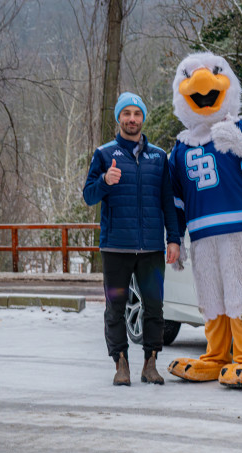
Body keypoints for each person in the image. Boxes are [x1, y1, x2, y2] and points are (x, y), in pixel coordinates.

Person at [165, 52, 242, 389]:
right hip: (202, 236)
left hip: (239, 230)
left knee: (241, 292)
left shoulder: (241, 127)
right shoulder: (181, 148)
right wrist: (175, 238)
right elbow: (175, 199)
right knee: (211, 296)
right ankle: (215, 357)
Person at [83, 92, 180, 386]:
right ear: (118, 119)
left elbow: (168, 201)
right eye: (126, 114)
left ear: (143, 118)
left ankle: (150, 363)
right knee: (115, 307)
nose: (132, 119)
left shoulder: (159, 157)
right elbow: (89, 196)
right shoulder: (104, 154)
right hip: (116, 247)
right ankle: (121, 364)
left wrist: (173, 239)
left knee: (154, 307)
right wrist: (104, 182)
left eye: (137, 114)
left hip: (151, 247)